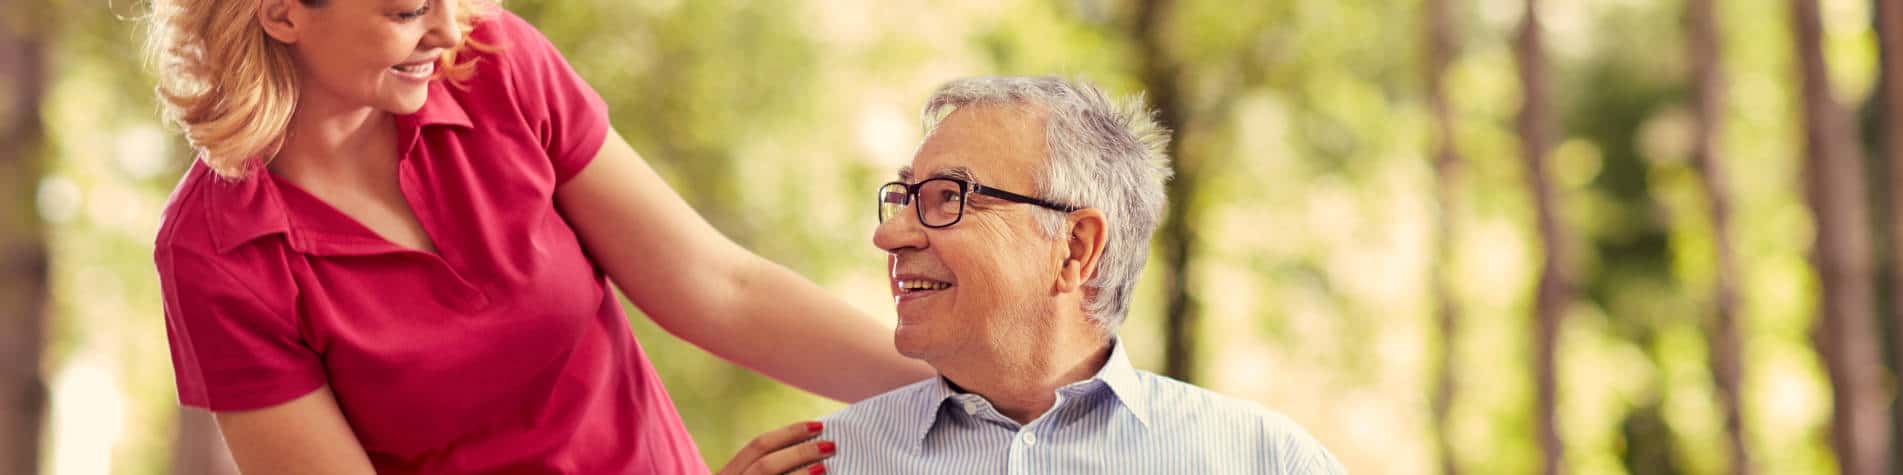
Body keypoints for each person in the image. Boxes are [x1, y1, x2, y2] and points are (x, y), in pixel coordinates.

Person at [144, 0, 926, 473]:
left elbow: (720, 289)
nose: (449, 28)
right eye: (406, 10)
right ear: (280, 12)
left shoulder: (495, 68)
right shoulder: (217, 252)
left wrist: (971, 389)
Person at [817, 76, 1346, 474]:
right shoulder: (830, 462)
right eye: (905, 198)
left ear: (1075, 248)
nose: (889, 236)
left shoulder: (1265, 461)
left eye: (949, 198)